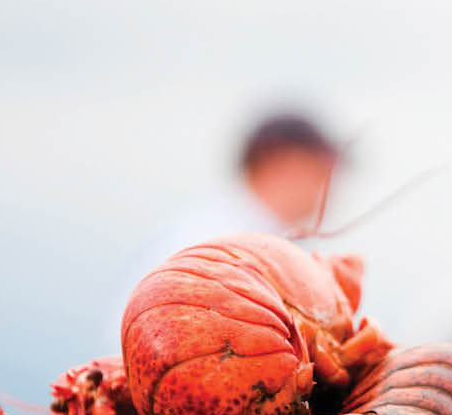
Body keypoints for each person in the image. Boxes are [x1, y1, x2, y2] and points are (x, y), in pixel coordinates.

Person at [121, 112, 340, 300]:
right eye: (322, 177)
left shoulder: (207, 225)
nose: (329, 193)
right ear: (288, 166)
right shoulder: (219, 239)